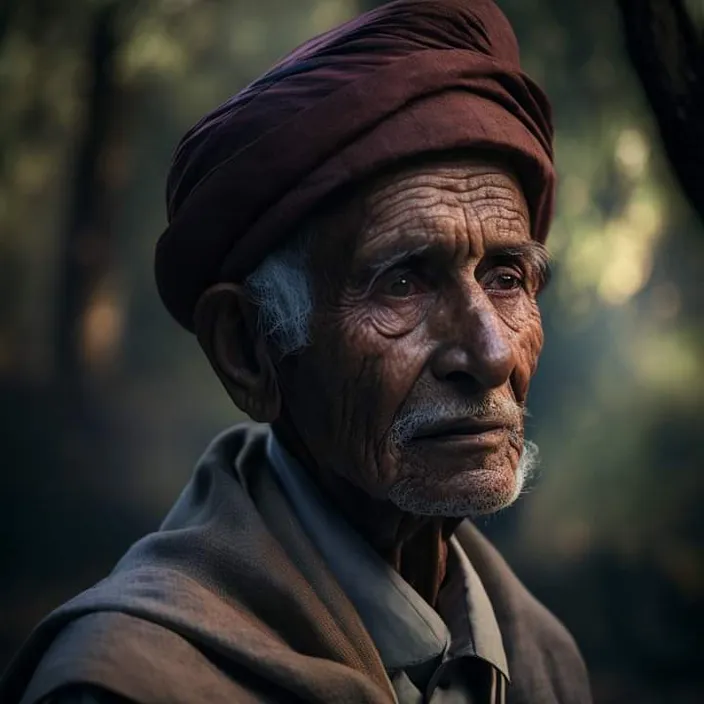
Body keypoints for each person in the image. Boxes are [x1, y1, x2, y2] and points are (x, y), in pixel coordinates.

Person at [0, 1, 592, 702]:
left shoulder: (542, 660)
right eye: (401, 283)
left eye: (506, 278)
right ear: (250, 351)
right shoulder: (124, 684)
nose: (491, 354)